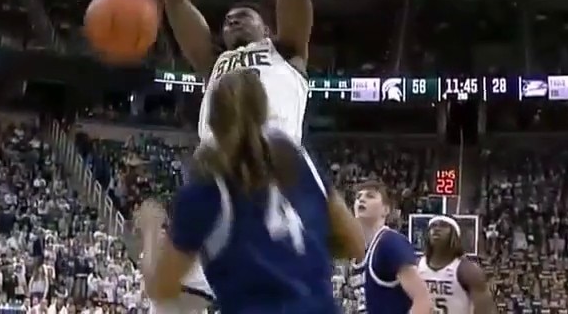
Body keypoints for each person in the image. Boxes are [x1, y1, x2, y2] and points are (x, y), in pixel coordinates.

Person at [161, 0, 313, 311]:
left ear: (267, 28)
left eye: (244, 15)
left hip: (270, 184)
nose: (232, 19)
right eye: (227, 19)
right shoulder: (214, 63)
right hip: (214, 186)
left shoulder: (287, 53)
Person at [135, 68, 364, 314]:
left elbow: (161, 289)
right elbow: (356, 244)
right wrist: (301, 251)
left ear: (210, 121)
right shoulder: (295, 158)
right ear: (265, 112)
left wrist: (150, 228)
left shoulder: (205, 186)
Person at [351, 183, 431, 314]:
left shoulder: (390, 243)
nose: (361, 199)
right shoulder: (357, 249)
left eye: (370, 196)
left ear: (385, 210)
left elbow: (423, 299)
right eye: (358, 197)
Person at [415, 217, 496, 314]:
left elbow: (485, 310)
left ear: (454, 234)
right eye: (433, 226)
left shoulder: (467, 270)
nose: (436, 229)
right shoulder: (415, 266)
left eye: (443, 225)